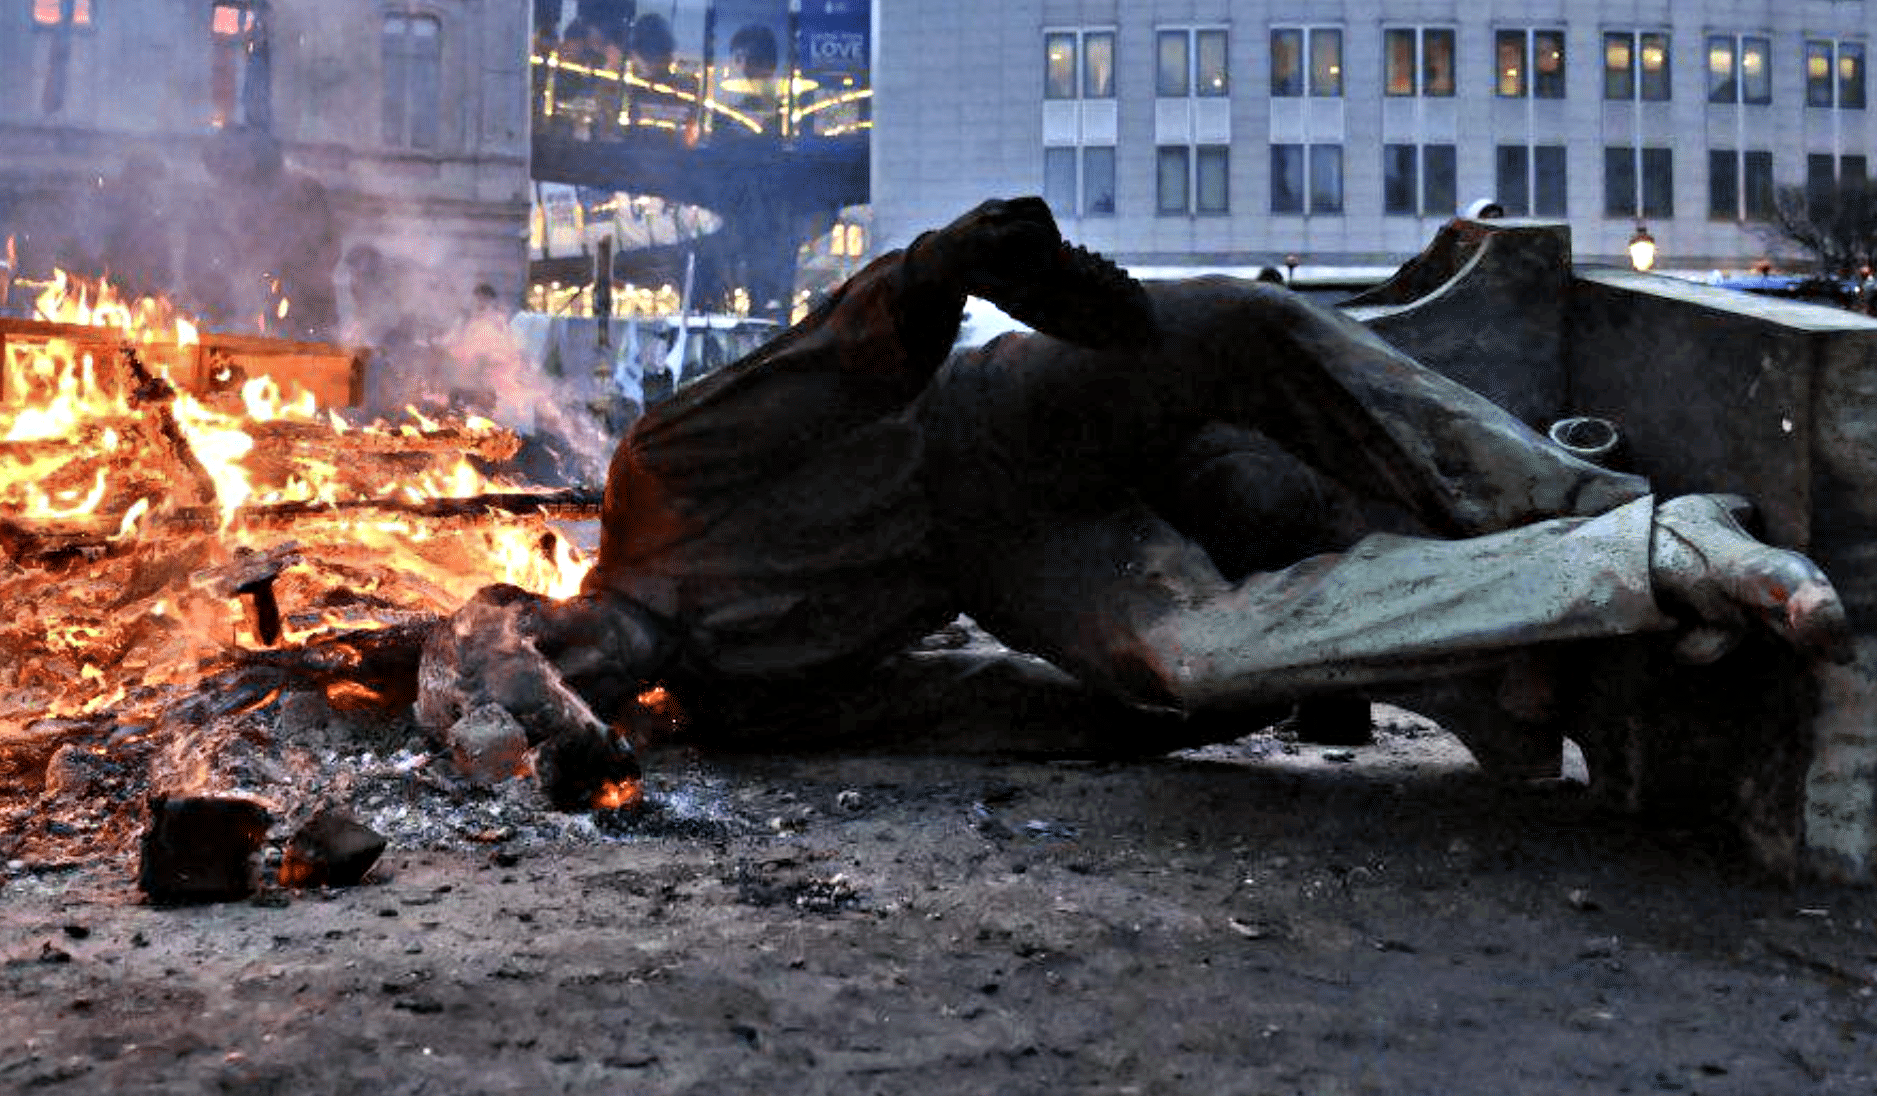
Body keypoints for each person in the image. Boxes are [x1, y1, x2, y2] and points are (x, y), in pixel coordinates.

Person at [442, 198, 1849, 789]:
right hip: (1018, 546)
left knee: (1242, 323)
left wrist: (973, 259)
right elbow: (983, 715)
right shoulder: (744, 696)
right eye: (584, 693)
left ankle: (1572, 492)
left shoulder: (655, 476)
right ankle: (1638, 559)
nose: (594, 672)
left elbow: (855, 349)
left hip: (992, 415)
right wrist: (1167, 716)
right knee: (1188, 651)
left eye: (554, 652)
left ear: (543, 602)